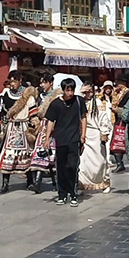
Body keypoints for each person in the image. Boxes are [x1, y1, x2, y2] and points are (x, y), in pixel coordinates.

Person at [0, 71, 39, 194]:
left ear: (20, 81)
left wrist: (34, 126)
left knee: (27, 154)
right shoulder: (6, 95)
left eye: (14, 81)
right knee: (7, 154)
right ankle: (5, 184)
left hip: (24, 128)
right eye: (11, 81)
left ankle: (30, 182)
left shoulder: (27, 95)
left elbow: (33, 112)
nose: (12, 84)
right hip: (11, 128)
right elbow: (4, 112)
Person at [44, 78, 87, 206]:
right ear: (63, 90)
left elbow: (83, 117)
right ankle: (62, 194)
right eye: (68, 90)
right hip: (61, 139)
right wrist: (47, 138)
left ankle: (73, 194)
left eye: (72, 90)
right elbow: (51, 121)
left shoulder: (79, 101)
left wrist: (83, 135)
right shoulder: (56, 104)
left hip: (74, 139)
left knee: (72, 166)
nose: (70, 93)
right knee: (61, 168)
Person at [28, 73, 62, 194]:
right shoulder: (40, 97)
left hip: (53, 127)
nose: (42, 85)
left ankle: (57, 182)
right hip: (42, 127)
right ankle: (37, 183)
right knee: (40, 153)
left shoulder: (57, 96)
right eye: (41, 82)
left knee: (53, 156)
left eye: (44, 82)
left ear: (51, 83)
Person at [79, 83, 112, 193]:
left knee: (100, 161)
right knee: (83, 162)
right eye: (86, 92)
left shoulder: (97, 103)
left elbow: (103, 118)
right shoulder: (80, 102)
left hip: (96, 134)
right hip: (85, 134)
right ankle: (83, 184)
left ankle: (104, 182)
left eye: (90, 91)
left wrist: (104, 132)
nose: (88, 94)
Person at [110, 74, 129, 173]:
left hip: (123, 119)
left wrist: (118, 110)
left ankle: (123, 163)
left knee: (120, 140)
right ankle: (119, 163)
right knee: (116, 141)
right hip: (117, 119)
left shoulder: (128, 93)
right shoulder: (116, 93)